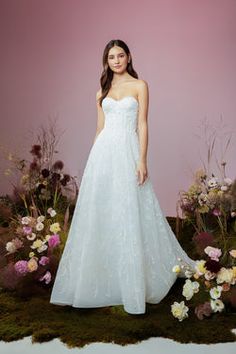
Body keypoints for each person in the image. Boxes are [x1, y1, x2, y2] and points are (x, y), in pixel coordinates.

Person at [49, 39, 196, 315]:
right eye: (111, 57)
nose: (116, 60)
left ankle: (134, 278)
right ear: (107, 61)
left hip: (128, 152)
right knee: (101, 212)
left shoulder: (140, 86)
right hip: (103, 154)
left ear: (128, 57)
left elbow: (142, 124)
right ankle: (102, 275)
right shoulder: (101, 92)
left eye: (120, 55)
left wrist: (142, 159)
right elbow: (99, 128)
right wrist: (92, 162)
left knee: (131, 209)